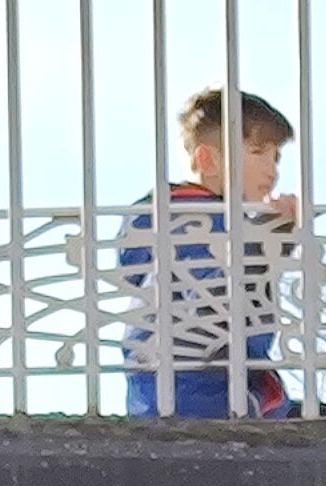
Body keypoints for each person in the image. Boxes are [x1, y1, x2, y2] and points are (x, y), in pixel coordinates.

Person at [119, 89, 303, 420]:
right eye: (258, 151)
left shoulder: (204, 219)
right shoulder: (191, 219)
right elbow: (212, 299)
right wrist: (270, 236)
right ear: (208, 160)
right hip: (202, 390)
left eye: (276, 157)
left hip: (191, 387)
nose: (272, 170)